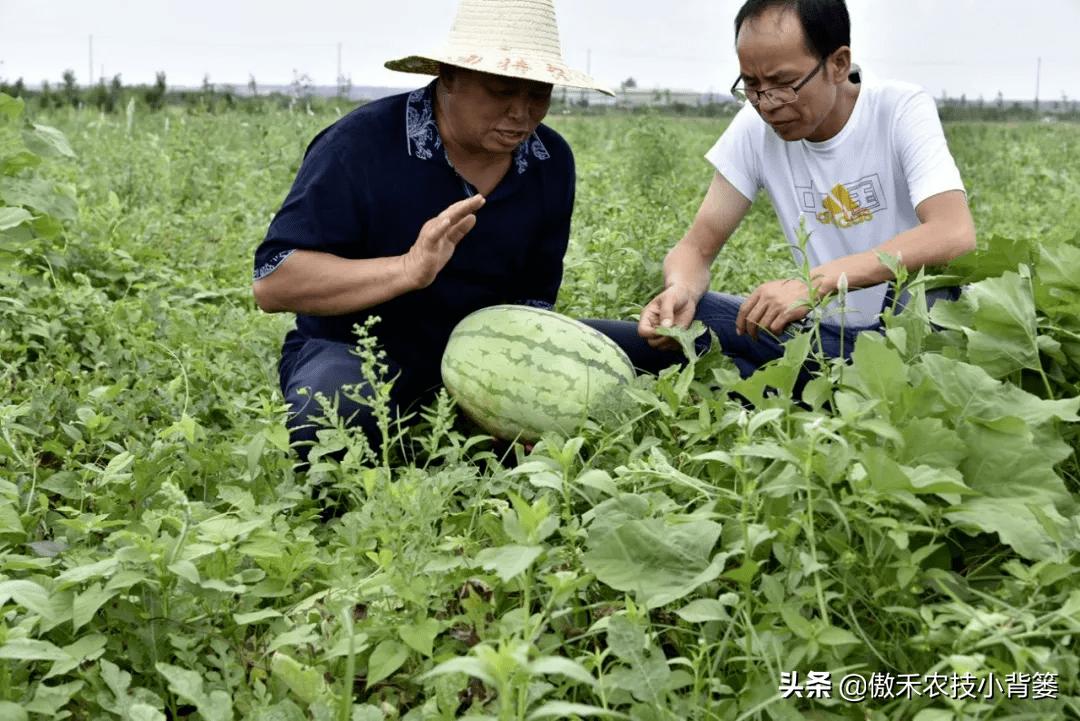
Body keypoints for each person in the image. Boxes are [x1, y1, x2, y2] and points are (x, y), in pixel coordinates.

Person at [252, 0, 612, 461]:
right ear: (449, 77)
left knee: (670, 348)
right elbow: (274, 282)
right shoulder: (359, 146)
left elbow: (533, 302)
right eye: (503, 90)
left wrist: (520, 395)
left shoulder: (550, 161)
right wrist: (406, 270)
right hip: (359, 352)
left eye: (538, 94)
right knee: (333, 415)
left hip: (486, 360)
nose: (522, 114)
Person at [623, 0, 976, 381]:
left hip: (906, 335)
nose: (767, 104)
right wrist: (680, 289)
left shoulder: (898, 109)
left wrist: (816, 284)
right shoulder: (753, 129)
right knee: (699, 314)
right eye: (752, 86)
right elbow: (695, 248)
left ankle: (777, 383)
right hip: (823, 341)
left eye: (784, 84)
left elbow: (953, 233)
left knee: (928, 295)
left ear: (838, 64)